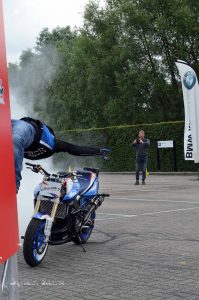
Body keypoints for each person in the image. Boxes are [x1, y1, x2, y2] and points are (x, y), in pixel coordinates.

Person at [12, 117, 110, 192]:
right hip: (26, 127)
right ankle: (14, 183)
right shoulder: (52, 143)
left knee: (15, 141)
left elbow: (75, 149)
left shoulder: (54, 146)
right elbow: (74, 149)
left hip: (21, 131)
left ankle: (13, 184)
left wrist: (98, 151)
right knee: (15, 139)